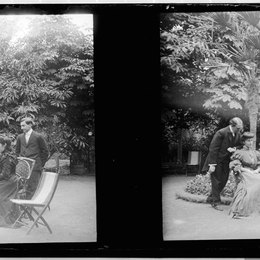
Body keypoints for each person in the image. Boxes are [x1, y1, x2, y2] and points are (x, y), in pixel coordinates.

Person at [202, 117, 243, 210]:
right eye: (238, 127)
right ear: (232, 125)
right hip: (216, 161)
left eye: (240, 128)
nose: (240, 129)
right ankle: (215, 202)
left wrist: (235, 149)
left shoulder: (238, 133)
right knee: (216, 181)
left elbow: (240, 145)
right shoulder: (221, 133)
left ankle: (210, 198)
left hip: (226, 161)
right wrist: (212, 165)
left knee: (224, 181)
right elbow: (213, 148)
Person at [15, 117, 49, 199]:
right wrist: (19, 162)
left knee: (32, 187)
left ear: (30, 124)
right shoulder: (19, 137)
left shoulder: (38, 136)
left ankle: (28, 207)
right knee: (21, 186)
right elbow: (17, 151)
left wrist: (40, 163)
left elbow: (45, 151)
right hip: (23, 166)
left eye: (23, 125)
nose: (21, 128)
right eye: (21, 126)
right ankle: (22, 205)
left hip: (35, 166)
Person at [229, 132, 260, 218]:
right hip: (244, 173)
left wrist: (257, 170)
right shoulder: (239, 153)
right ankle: (239, 210)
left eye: (251, 141)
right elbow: (236, 166)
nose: (250, 143)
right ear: (244, 142)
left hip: (254, 173)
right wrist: (249, 171)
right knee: (257, 181)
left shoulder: (255, 153)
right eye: (248, 141)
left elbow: (259, 165)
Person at [0, 136, 20, 227]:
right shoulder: (3, 154)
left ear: (4, 145)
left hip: (9, 182)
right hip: (6, 180)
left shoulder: (8, 157)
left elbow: (5, 175)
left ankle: (6, 220)